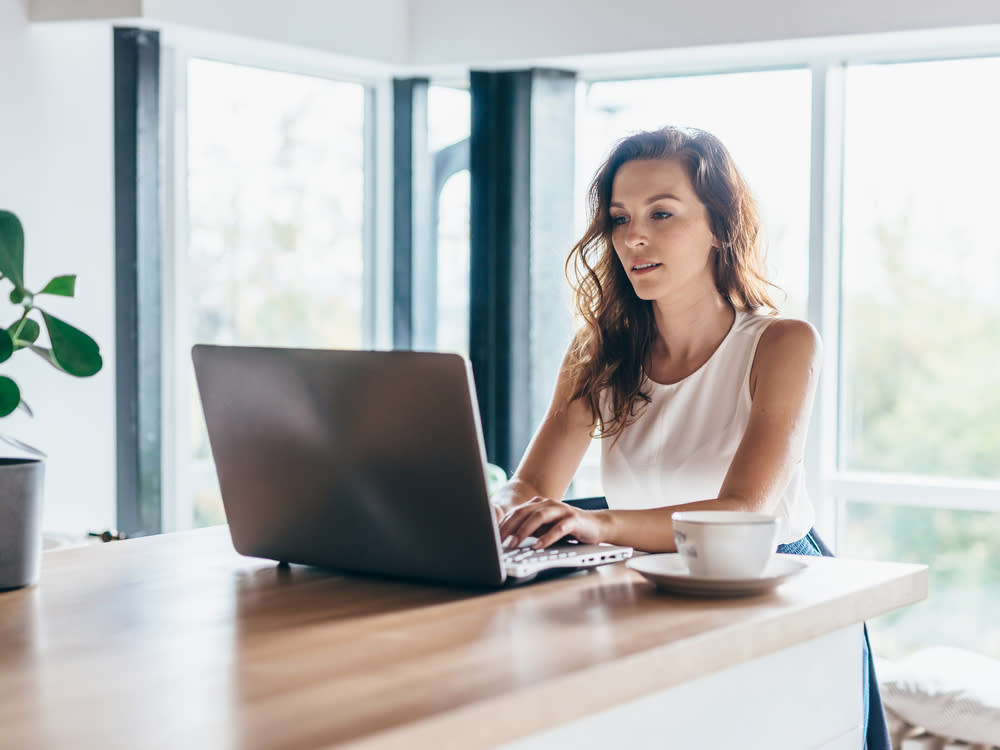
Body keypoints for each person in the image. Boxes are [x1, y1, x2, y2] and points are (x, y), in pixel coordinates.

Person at [492, 125, 890, 749]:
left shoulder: (782, 343)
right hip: (649, 590)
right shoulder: (596, 351)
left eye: (662, 213)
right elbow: (531, 484)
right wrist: (486, 510)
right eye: (620, 218)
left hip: (777, 591)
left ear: (718, 227)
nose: (634, 237)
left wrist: (601, 524)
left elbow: (745, 511)